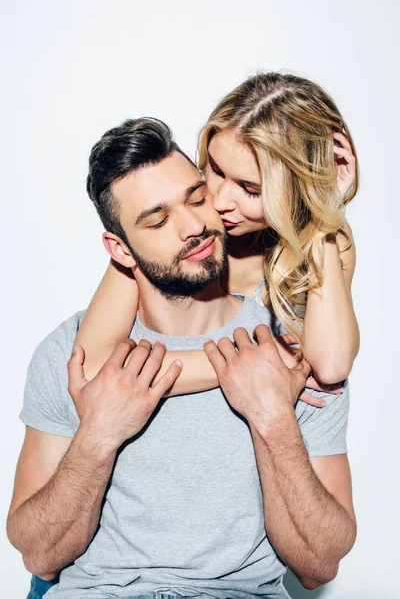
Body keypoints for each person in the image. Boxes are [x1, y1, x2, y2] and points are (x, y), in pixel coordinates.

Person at [8, 117, 356, 599]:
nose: (195, 226)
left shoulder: (295, 350)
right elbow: (38, 554)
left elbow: (321, 563)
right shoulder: (70, 353)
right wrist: (99, 435)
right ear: (120, 250)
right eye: (158, 220)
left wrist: (273, 416)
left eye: (197, 198)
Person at [72, 72, 359, 399]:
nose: (219, 201)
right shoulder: (171, 235)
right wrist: (257, 361)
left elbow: (332, 366)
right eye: (216, 170)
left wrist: (325, 214)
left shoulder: (326, 241)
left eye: (250, 190)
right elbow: (93, 367)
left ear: (298, 191)